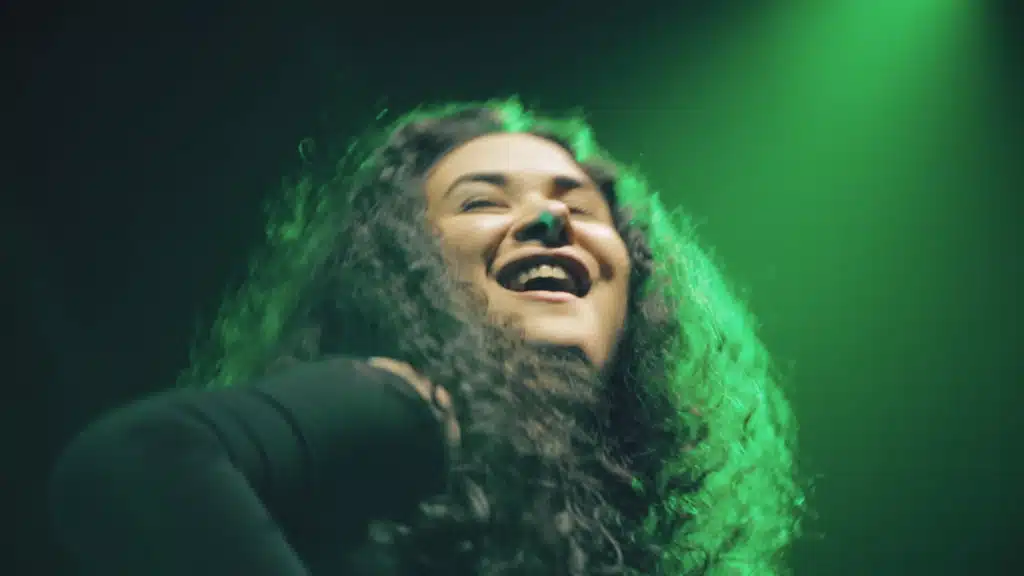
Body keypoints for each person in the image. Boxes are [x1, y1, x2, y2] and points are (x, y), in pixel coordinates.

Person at [49, 98, 804, 575]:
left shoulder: (628, 528)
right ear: (403, 263)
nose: (550, 219)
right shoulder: (409, 408)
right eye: (482, 202)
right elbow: (137, 460)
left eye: (578, 206)